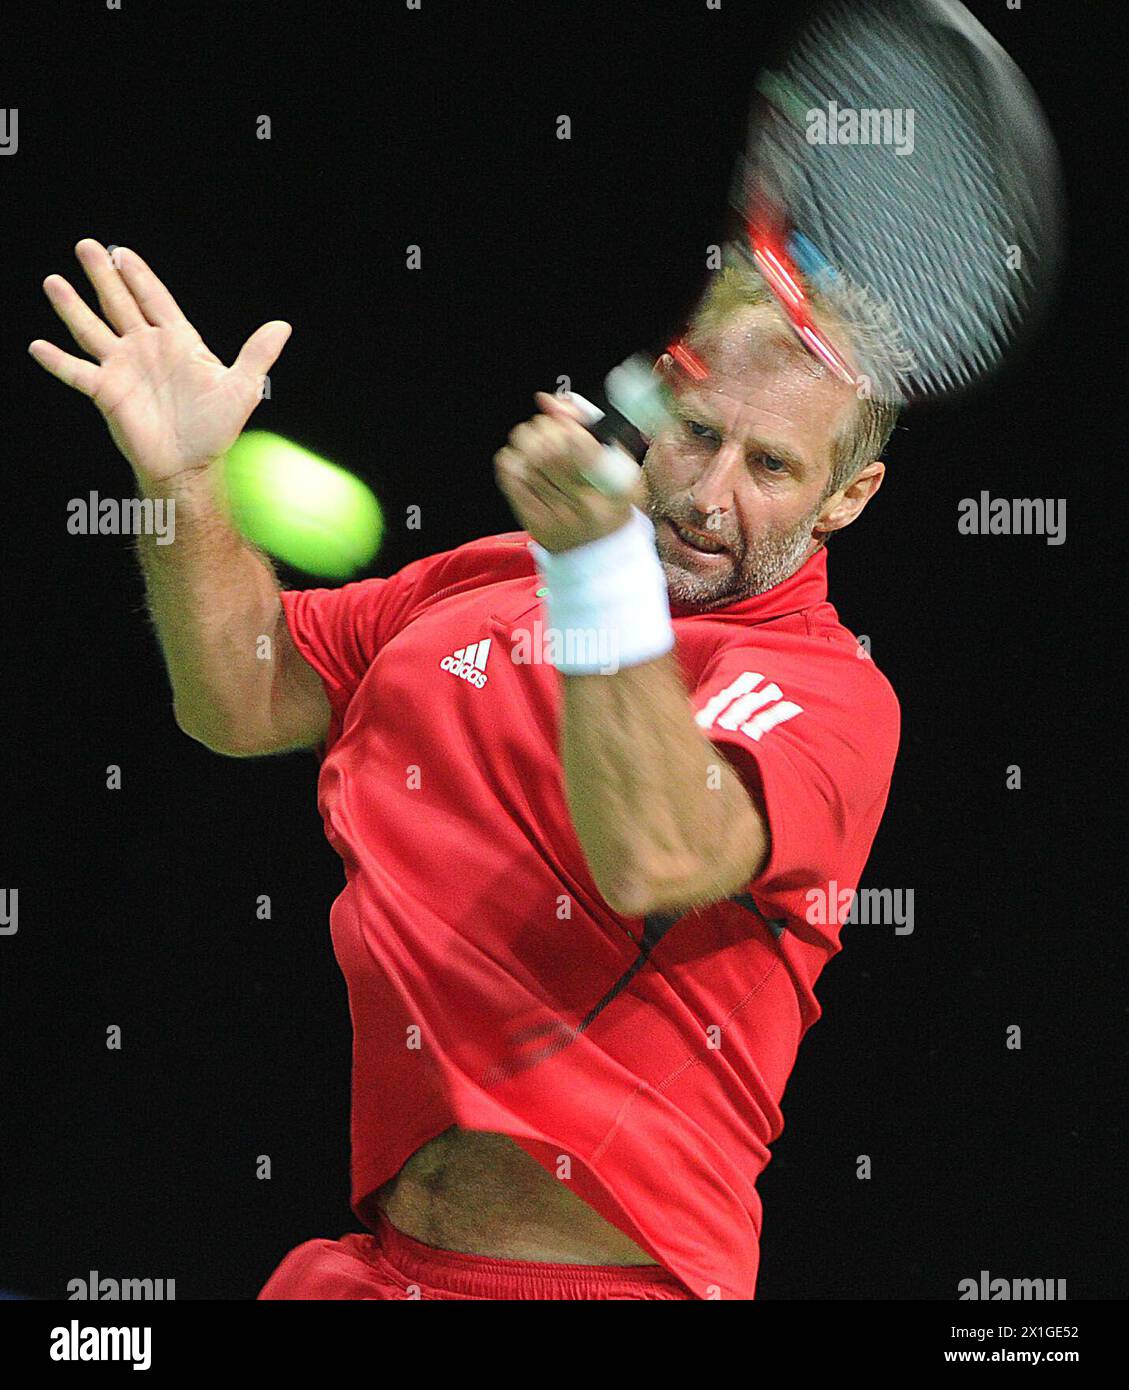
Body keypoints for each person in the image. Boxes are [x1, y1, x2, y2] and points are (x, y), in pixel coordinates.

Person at [30, 240, 900, 1300]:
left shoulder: (826, 693)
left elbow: (657, 851)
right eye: (699, 434)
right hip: (379, 1268)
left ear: (848, 496)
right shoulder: (484, 582)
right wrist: (183, 478)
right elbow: (236, 695)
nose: (710, 494)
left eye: (770, 466)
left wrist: (593, 571)